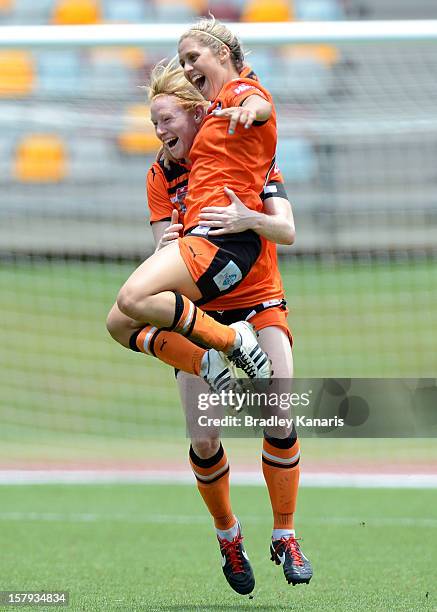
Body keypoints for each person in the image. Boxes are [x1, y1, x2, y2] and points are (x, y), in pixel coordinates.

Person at [107, 48, 312, 596]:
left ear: (198, 114)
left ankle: (286, 535)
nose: (158, 132)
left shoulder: (240, 153)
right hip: (199, 311)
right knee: (204, 437)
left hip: (260, 296)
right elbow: (161, 253)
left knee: (279, 407)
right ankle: (228, 534)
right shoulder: (159, 177)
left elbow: (287, 229)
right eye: (153, 124)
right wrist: (169, 239)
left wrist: (249, 218)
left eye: (167, 120)